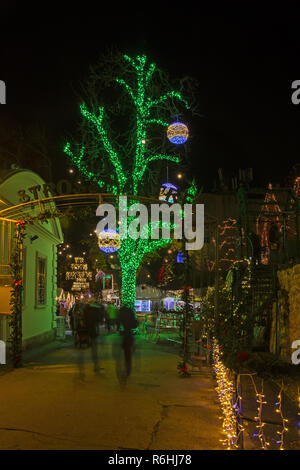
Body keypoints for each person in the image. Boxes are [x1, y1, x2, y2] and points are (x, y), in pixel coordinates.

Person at [118, 305, 138, 380]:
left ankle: (126, 370)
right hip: (128, 336)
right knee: (128, 354)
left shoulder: (121, 313)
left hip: (124, 335)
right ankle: (127, 370)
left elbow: (119, 322)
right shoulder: (130, 312)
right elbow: (134, 324)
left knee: (126, 353)